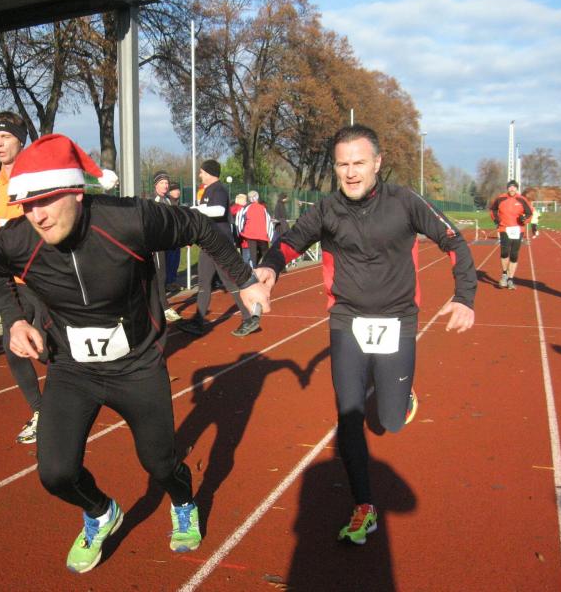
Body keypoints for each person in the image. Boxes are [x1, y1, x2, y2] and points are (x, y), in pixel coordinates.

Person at [0, 134, 262, 573]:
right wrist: (14, 320)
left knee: (160, 464)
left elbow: (200, 227)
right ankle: (99, 511)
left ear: (76, 191)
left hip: (137, 364)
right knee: (55, 473)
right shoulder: (18, 239)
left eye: (46, 201)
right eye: (26, 204)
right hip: (72, 367)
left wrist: (244, 280)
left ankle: (183, 500)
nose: (37, 215)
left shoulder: (129, 220)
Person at [241, 124, 477, 545]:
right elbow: (291, 241)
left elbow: (453, 241)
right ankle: (364, 505)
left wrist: (464, 297)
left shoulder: (404, 202)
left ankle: (400, 395)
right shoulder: (327, 209)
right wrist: (271, 267)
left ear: (377, 163)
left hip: (397, 321)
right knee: (349, 416)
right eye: (342, 165)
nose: (350, 172)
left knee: (391, 421)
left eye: (359, 163)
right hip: (347, 321)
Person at [0, 111, 44, 444]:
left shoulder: (35, 176)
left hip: (43, 279)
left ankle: (71, 399)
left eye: (5, 137)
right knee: (13, 347)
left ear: (20, 140)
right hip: (12, 284)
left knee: (50, 349)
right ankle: (41, 411)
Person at [176, 160, 261, 338]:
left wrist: (196, 210)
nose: (200, 175)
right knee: (204, 282)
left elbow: (219, 210)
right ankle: (198, 321)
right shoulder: (207, 190)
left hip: (221, 244)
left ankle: (249, 318)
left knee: (229, 282)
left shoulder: (219, 189)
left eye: (202, 172)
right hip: (208, 243)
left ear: (209, 173)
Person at [489, 180, 531, 290]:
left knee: (514, 254)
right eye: (510, 187)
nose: (512, 189)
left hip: (518, 229)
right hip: (504, 228)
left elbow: (530, 213)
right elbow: (493, 210)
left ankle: (510, 279)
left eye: (514, 187)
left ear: (517, 188)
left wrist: (524, 219)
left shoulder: (522, 199)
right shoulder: (500, 198)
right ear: (507, 188)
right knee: (504, 252)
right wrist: (496, 220)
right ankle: (504, 275)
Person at [151, 170, 181, 322]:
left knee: (162, 275)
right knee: (160, 276)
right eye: (162, 183)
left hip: (168, 244)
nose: (165, 185)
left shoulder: (169, 201)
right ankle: (164, 307)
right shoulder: (153, 201)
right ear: (156, 185)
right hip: (156, 245)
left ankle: (155, 305)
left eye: (167, 183)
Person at [236, 190, 274, 268]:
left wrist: (240, 232)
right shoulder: (262, 208)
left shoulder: (245, 208)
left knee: (253, 254)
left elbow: (239, 220)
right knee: (265, 252)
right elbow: (268, 221)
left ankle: (254, 269)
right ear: (257, 197)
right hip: (262, 235)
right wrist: (270, 235)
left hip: (250, 234)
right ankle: (269, 267)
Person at [165, 181, 183, 293]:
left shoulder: (177, 203)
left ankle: (172, 280)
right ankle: (168, 282)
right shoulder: (168, 202)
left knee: (176, 259)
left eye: (178, 189)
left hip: (178, 237)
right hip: (170, 237)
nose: (177, 192)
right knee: (170, 260)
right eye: (175, 190)